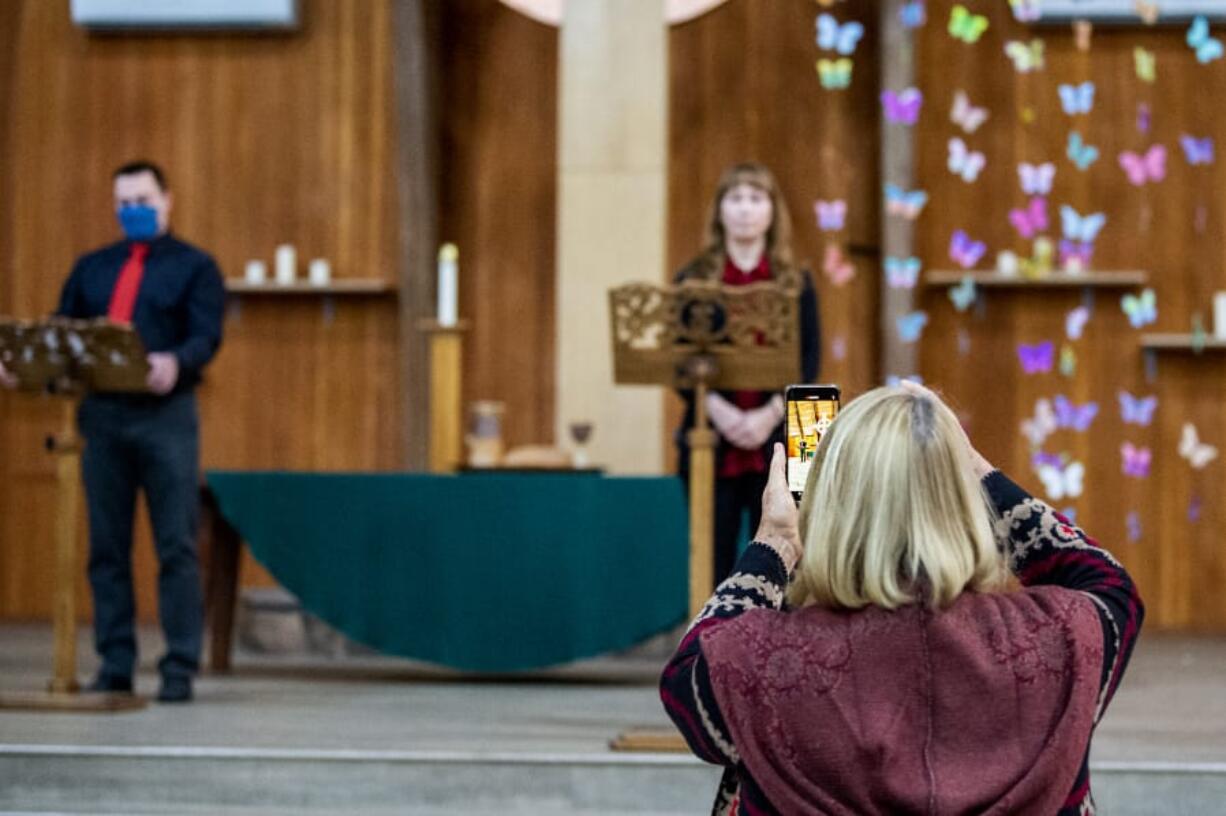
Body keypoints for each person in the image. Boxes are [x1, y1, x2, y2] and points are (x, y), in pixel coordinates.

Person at [661, 383, 1144, 815]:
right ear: (966, 503)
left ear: (831, 509)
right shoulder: (1064, 637)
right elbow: (1109, 584)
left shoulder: (761, 662)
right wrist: (978, 472)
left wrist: (775, 546)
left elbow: (688, 679)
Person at [1, 161, 225, 703]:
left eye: (143, 200)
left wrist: (175, 359)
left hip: (165, 416)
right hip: (101, 416)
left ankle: (178, 667)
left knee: (175, 544)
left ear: (168, 200)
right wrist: (22, 363)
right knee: (106, 548)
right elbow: (63, 330)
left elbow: (206, 334)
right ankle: (115, 663)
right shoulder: (93, 268)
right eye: (124, 203)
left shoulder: (196, 266)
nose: (134, 211)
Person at [674, 162, 820, 588]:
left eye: (756, 198)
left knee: (789, 554)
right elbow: (678, 359)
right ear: (719, 211)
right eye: (734, 198)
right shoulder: (694, 279)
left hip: (782, 434)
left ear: (772, 211)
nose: (745, 209)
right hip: (711, 432)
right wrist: (715, 409)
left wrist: (769, 415)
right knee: (712, 556)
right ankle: (712, 646)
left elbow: (809, 359)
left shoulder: (796, 281)